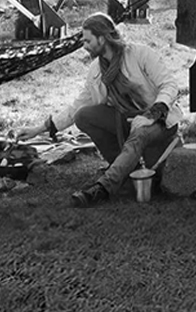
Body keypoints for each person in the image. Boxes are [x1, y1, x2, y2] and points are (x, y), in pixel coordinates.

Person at [18, 12, 181, 207]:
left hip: (158, 120)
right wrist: (39, 129)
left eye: (88, 41)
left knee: (140, 135)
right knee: (83, 116)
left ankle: (102, 188)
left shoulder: (140, 54)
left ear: (102, 38)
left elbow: (170, 85)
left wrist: (151, 115)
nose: (84, 46)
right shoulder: (96, 70)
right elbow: (78, 105)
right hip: (127, 120)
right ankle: (126, 171)